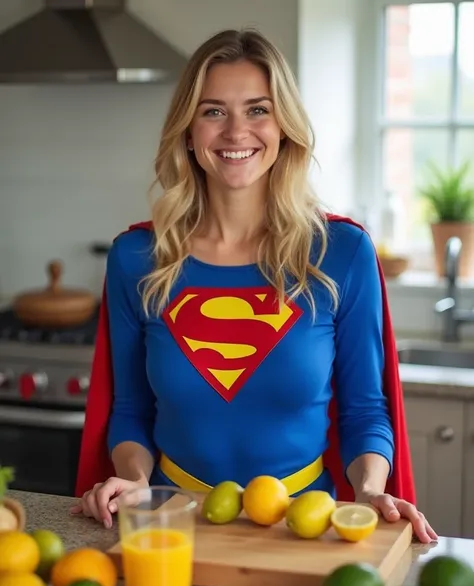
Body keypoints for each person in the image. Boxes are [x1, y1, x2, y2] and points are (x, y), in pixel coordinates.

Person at [72, 28, 436, 545]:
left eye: (258, 110)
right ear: (189, 130)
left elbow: (364, 410)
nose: (236, 131)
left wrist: (372, 488)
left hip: (303, 528)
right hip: (169, 525)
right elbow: (131, 409)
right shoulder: (137, 259)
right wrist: (131, 480)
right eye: (214, 111)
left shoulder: (342, 253)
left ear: (284, 126)